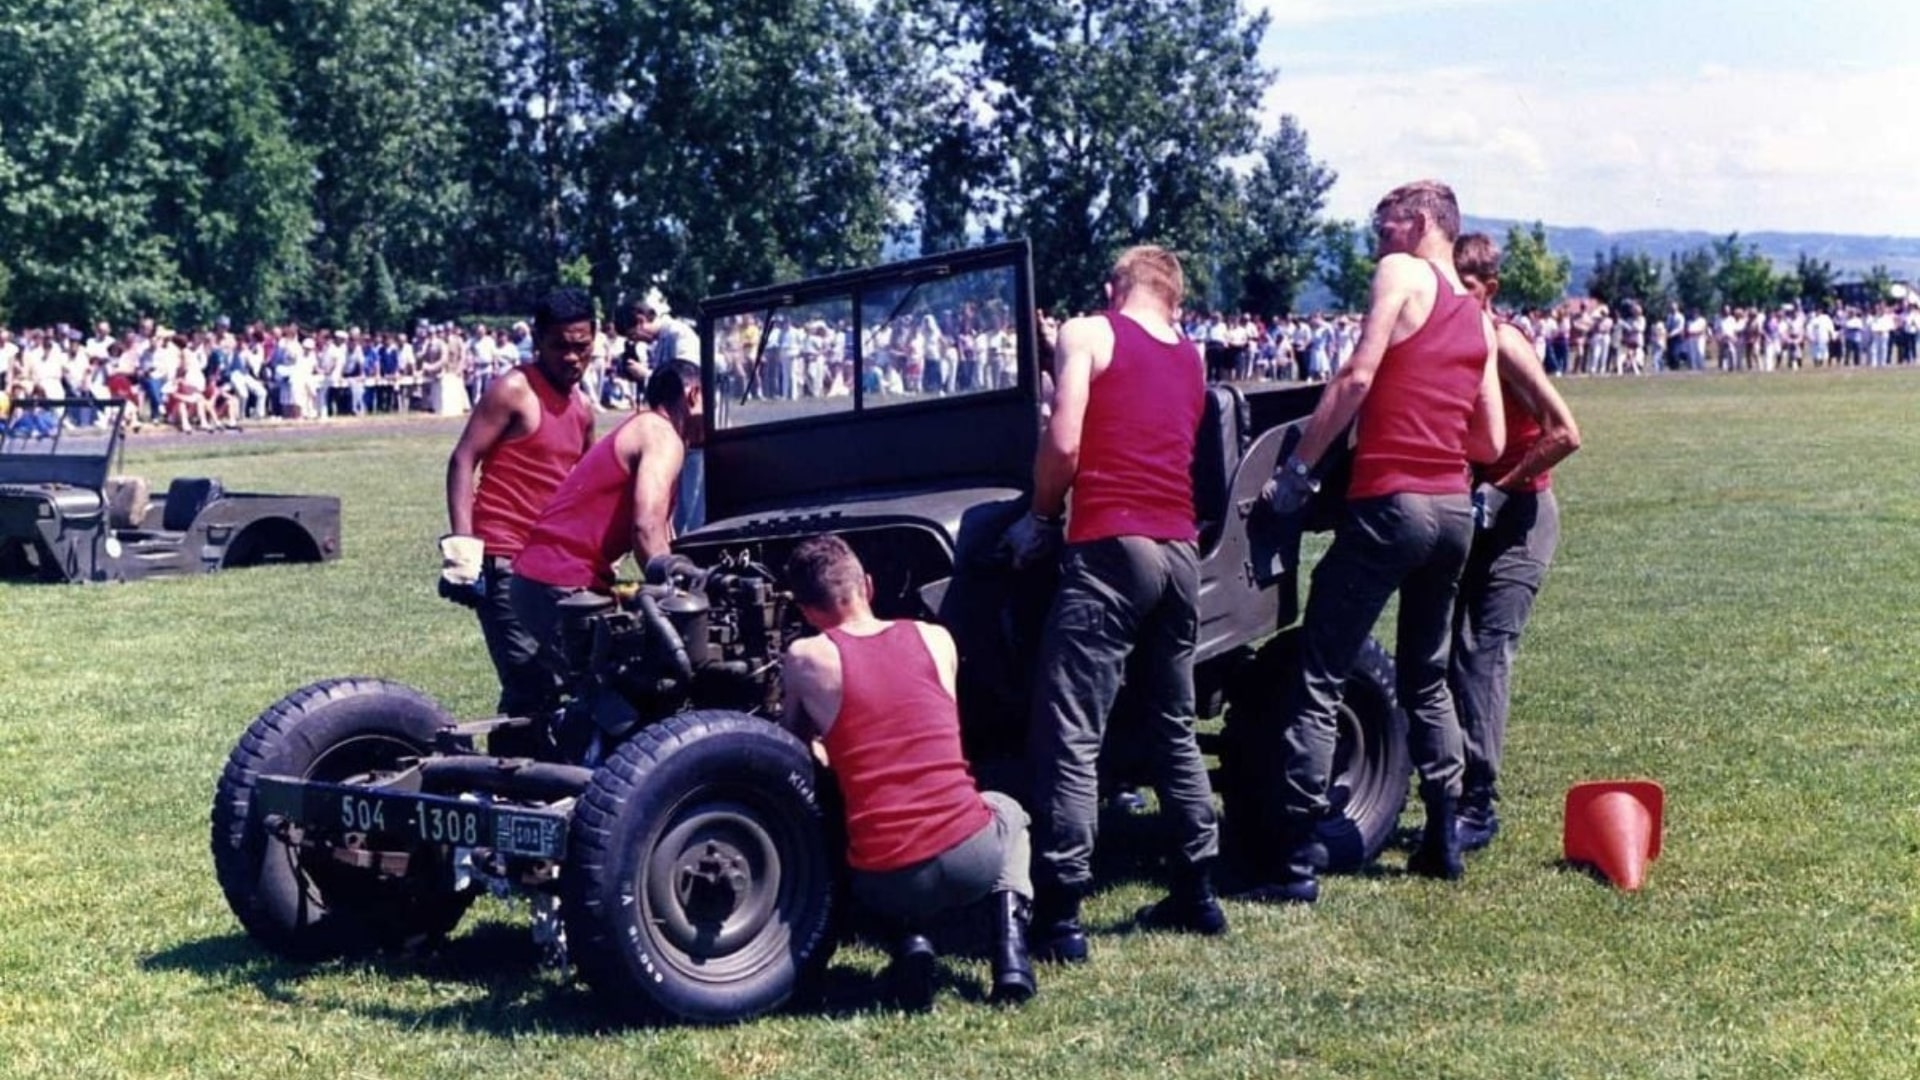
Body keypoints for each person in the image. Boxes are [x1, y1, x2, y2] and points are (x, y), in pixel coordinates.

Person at [1257, 180, 1504, 901]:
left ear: (1422, 222)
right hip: (1453, 510)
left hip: (1391, 503)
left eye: (1384, 225)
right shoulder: (1479, 318)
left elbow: (1357, 374)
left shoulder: (1402, 274)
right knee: (1426, 676)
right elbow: (1488, 437)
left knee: (1320, 670)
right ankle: (1443, 834)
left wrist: (1302, 468)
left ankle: (1297, 860)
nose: (1377, 240)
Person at [1005, 244, 1225, 962]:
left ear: (1113, 286)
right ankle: (1198, 886)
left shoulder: (1088, 331)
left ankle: (1062, 910)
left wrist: (1040, 519)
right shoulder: (1190, 354)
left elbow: (1065, 440)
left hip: (1108, 545)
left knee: (1070, 726)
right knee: (1172, 722)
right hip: (1178, 552)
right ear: (1175, 298)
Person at [779, 535, 1036, 1009]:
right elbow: (939, 732)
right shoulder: (935, 638)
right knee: (1010, 810)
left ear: (807, 611)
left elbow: (792, 749)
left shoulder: (805, 658)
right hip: (971, 857)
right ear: (869, 586)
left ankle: (909, 943)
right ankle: (1011, 956)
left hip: (887, 880)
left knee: (860, 825)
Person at [1446, 233, 1582, 852]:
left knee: (1483, 654)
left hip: (1521, 516)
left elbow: (1565, 432)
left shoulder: (1503, 342)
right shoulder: (1454, 340)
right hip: (1475, 513)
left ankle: (1480, 803)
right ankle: (1451, 789)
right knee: (1451, 655)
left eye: (1465, 289)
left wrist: (1502, 487)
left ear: (1489, 290)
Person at [507, 359, 704, 735]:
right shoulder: (661, 432)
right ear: (693, 395)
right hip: (560, 579)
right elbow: (646, 528)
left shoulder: (647, 430)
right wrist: (678, 596)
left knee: (605, 690)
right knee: (626, 706)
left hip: (544, 578)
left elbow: (662, 532)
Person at [442, 288, 597, 744]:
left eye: (582, 346)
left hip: (554, 565)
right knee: (529, 684)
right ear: (537, 341)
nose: (572, 357)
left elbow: (585, 492)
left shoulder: (584, 410)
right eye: (561, 346)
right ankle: (511, 788)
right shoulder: (514, 389)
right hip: (505, 559)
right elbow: (462, 460)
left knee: (572, 678)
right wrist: (464, 548)